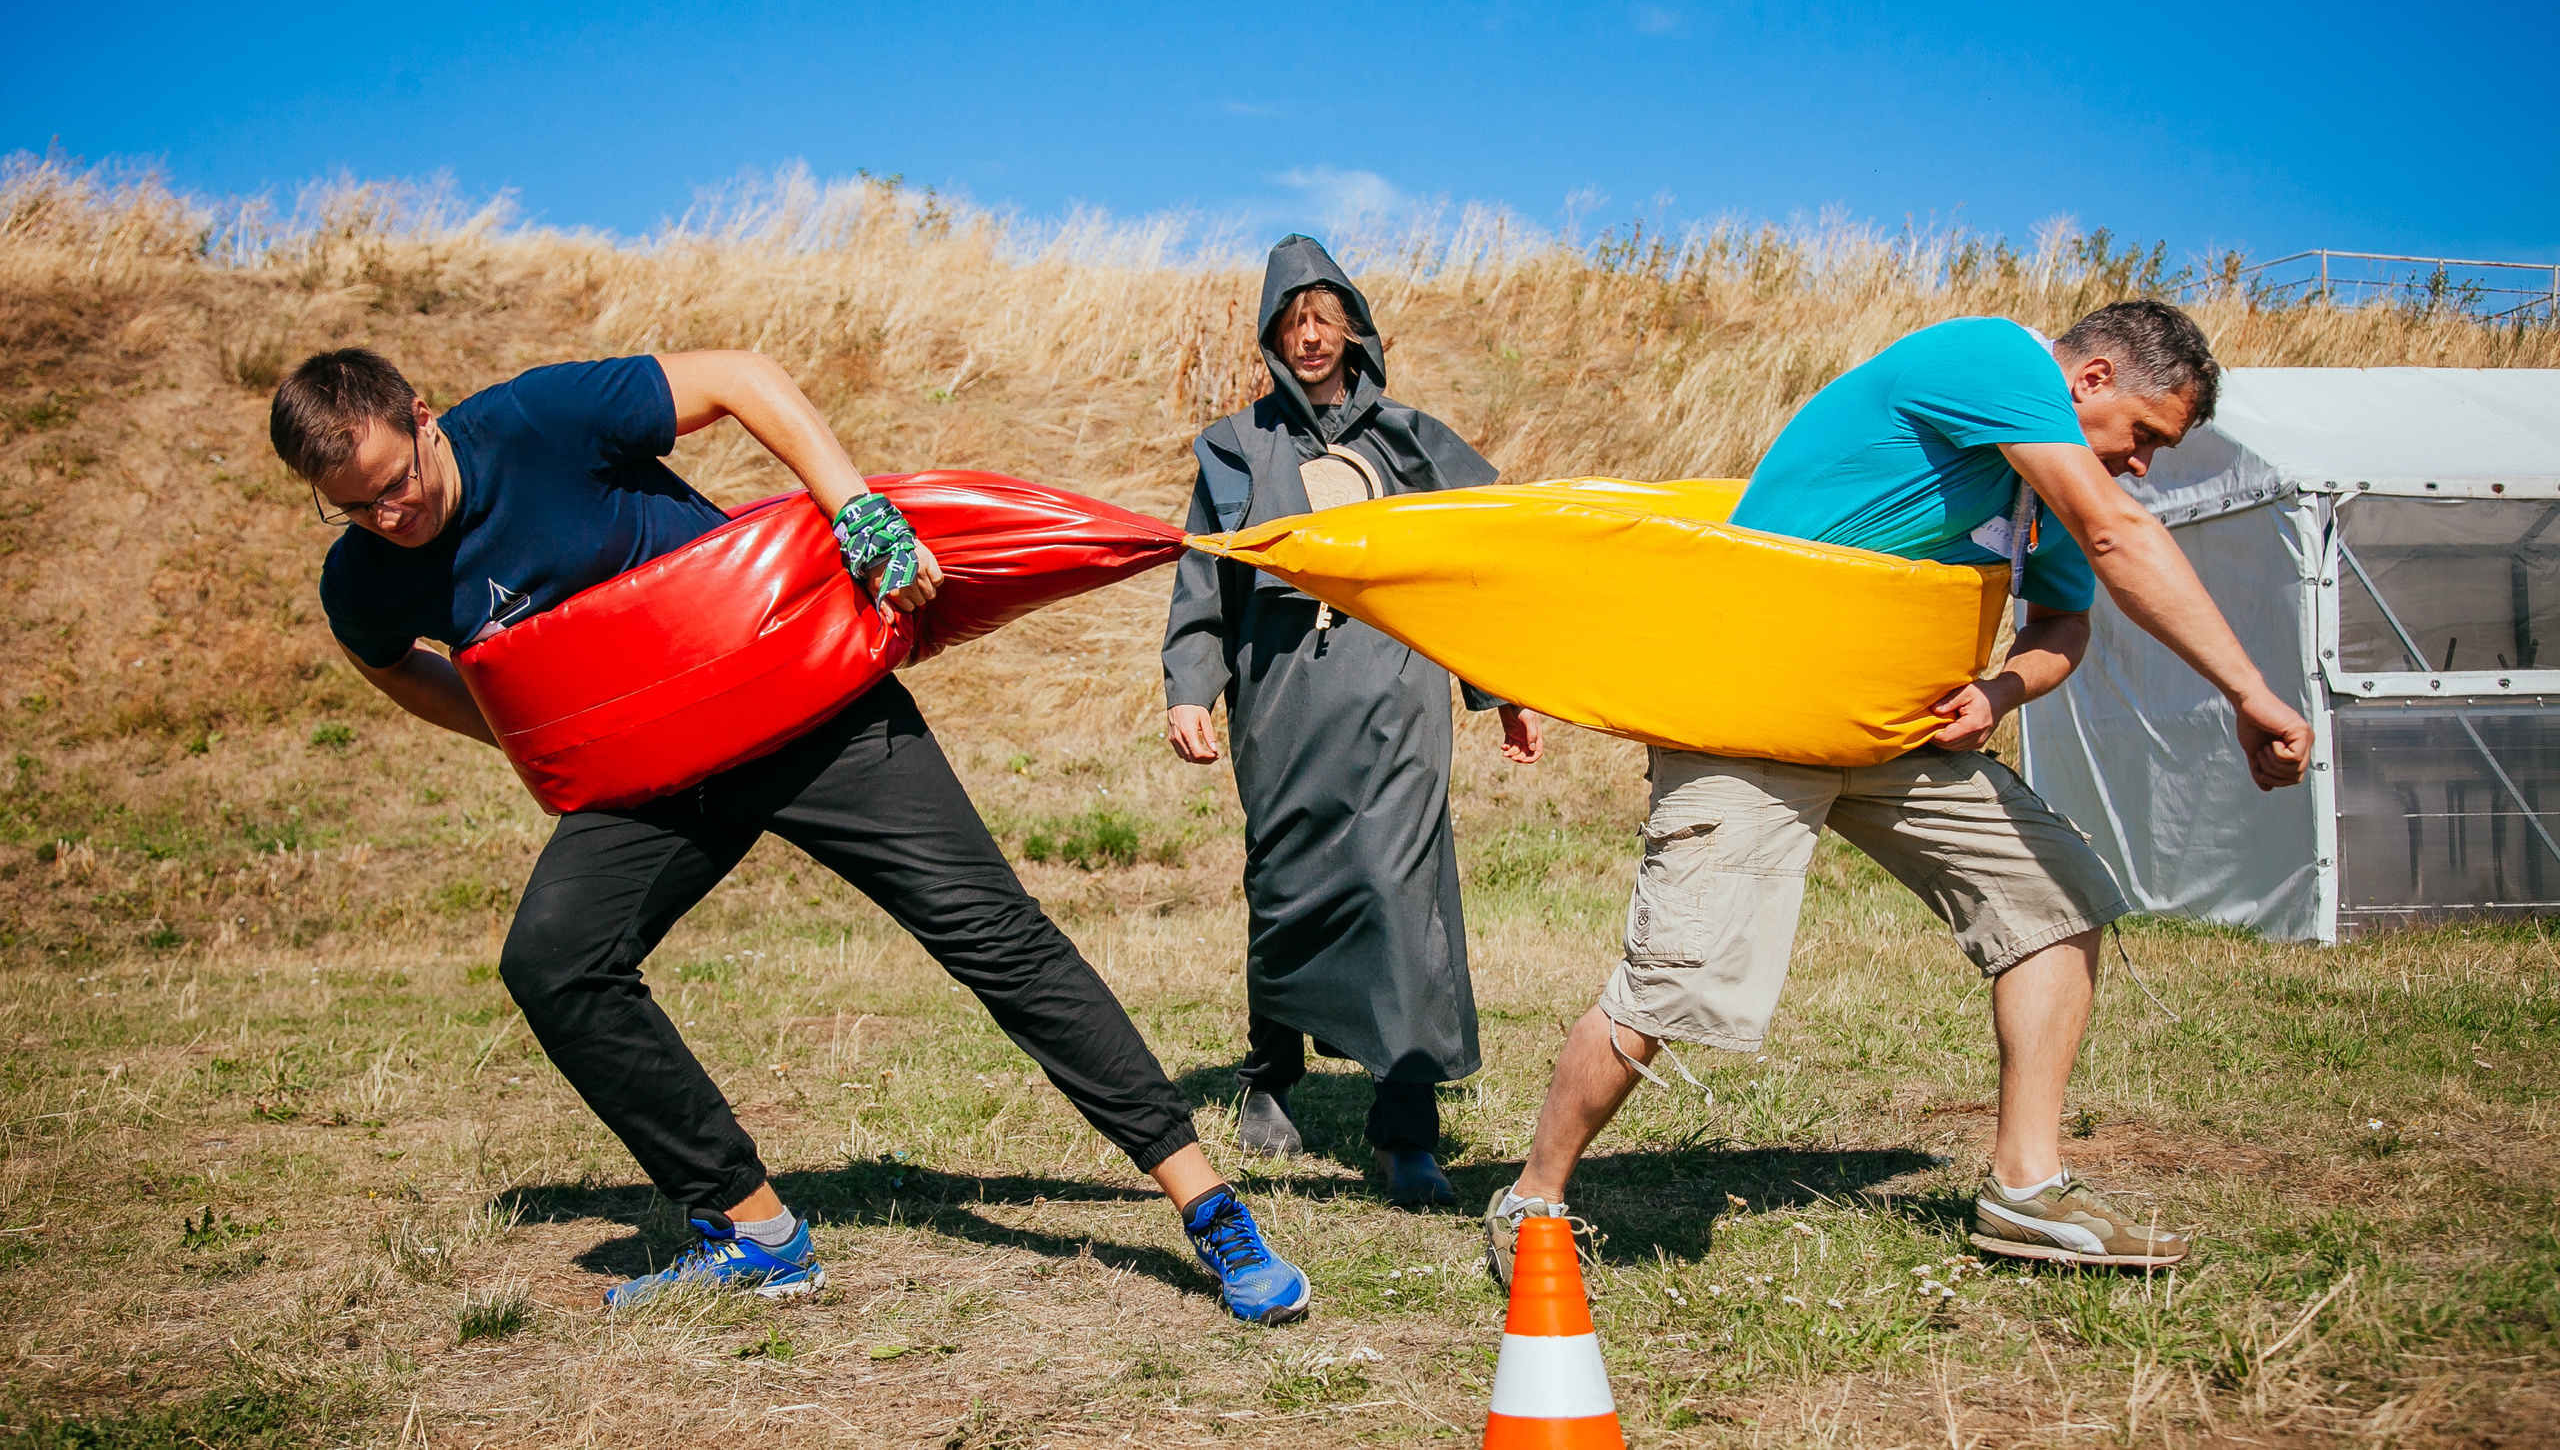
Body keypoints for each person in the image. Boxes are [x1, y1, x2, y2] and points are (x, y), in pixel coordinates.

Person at [268, 346, 1312, 1324]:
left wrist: (855, 510)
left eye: (394, 480)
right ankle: (753, 1226)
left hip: (804, 705)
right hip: (653, 775)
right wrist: (527, 732)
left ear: (421, 417)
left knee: (992, 936)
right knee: (555, 963)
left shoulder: (537, 420)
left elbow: (739, 377)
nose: (389, 513)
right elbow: (388, 659)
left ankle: (1206, 1204)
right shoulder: (365, 572)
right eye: (353, 505)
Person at [1480, 301, 2314, 1280]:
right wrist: (2249, 692)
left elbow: (2061, 628)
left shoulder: (2036, 488)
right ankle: (1533, 1197)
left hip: (1895, 733)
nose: (2141, 466)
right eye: (2142, 437)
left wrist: (2000, 688)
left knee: (2054, 901)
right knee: (1679, 980)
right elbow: (2119, 535)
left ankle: (2025, 1188)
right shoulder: (1993, 358)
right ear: (2088, 381)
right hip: (1750, 723)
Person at [1163, 234, 1543, 1209]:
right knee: (1285, 882)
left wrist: (1502, 690)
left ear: (1355, 332)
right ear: (1271, 337)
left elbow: (1481, 569)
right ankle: (1269, 1076)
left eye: (1324, 320)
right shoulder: (1234, 447)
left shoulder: (1414, 442)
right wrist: (1188, 687)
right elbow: (1205, 575)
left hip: (1397, 696)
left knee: (1400, 888)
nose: (1310, 338)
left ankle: (1404, 1125)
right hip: (1281, 700)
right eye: (1293, 323)